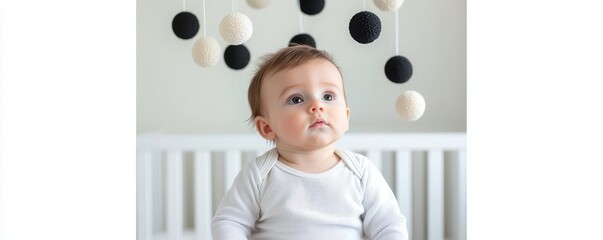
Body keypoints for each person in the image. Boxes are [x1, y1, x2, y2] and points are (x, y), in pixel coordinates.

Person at [211, 45, 408, 240]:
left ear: (346, 116)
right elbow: (230, 221)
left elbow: (388, 225)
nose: (317, 106)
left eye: (328, 96)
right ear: (267, 128)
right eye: (296, 99)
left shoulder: (360, 172)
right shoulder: (260, 175)